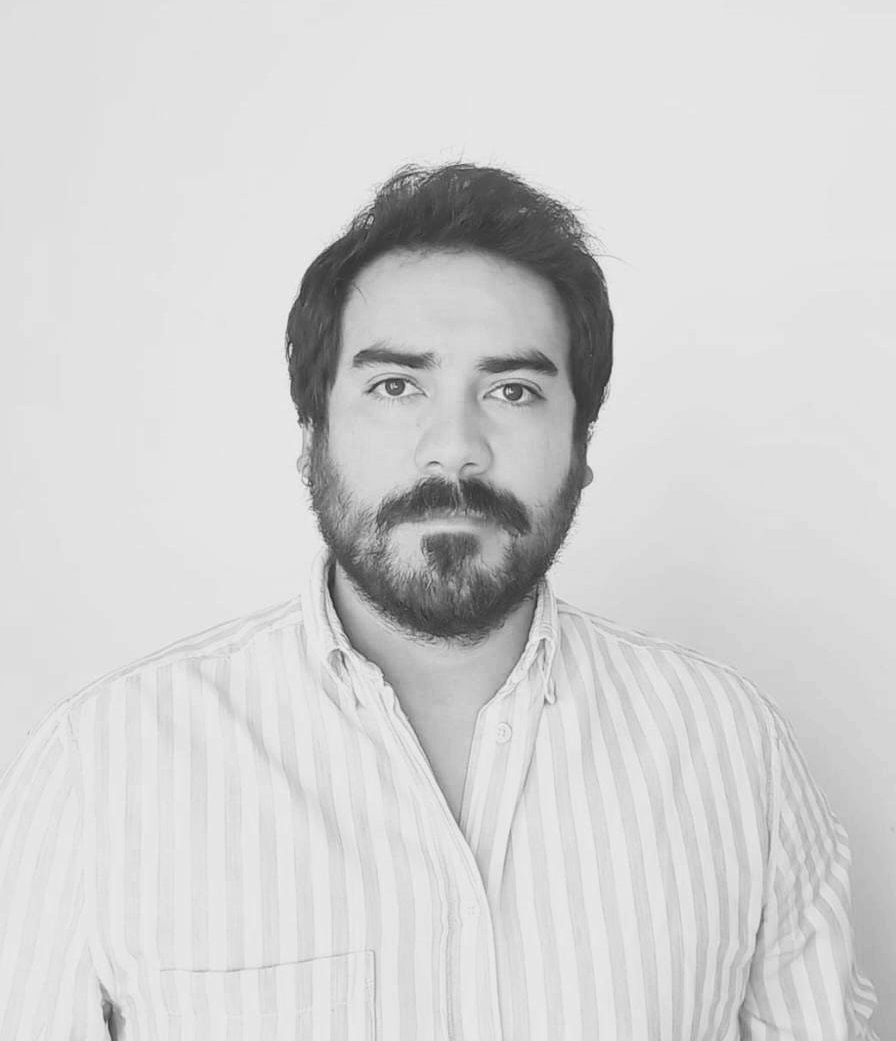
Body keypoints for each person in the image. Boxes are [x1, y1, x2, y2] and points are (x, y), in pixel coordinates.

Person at [0, 164, 878, 1040]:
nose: (454, 448)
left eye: (513, 391)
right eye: (396, 385)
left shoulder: (734, 754)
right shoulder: (102, 770)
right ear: (312, 439)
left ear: (581, 446)